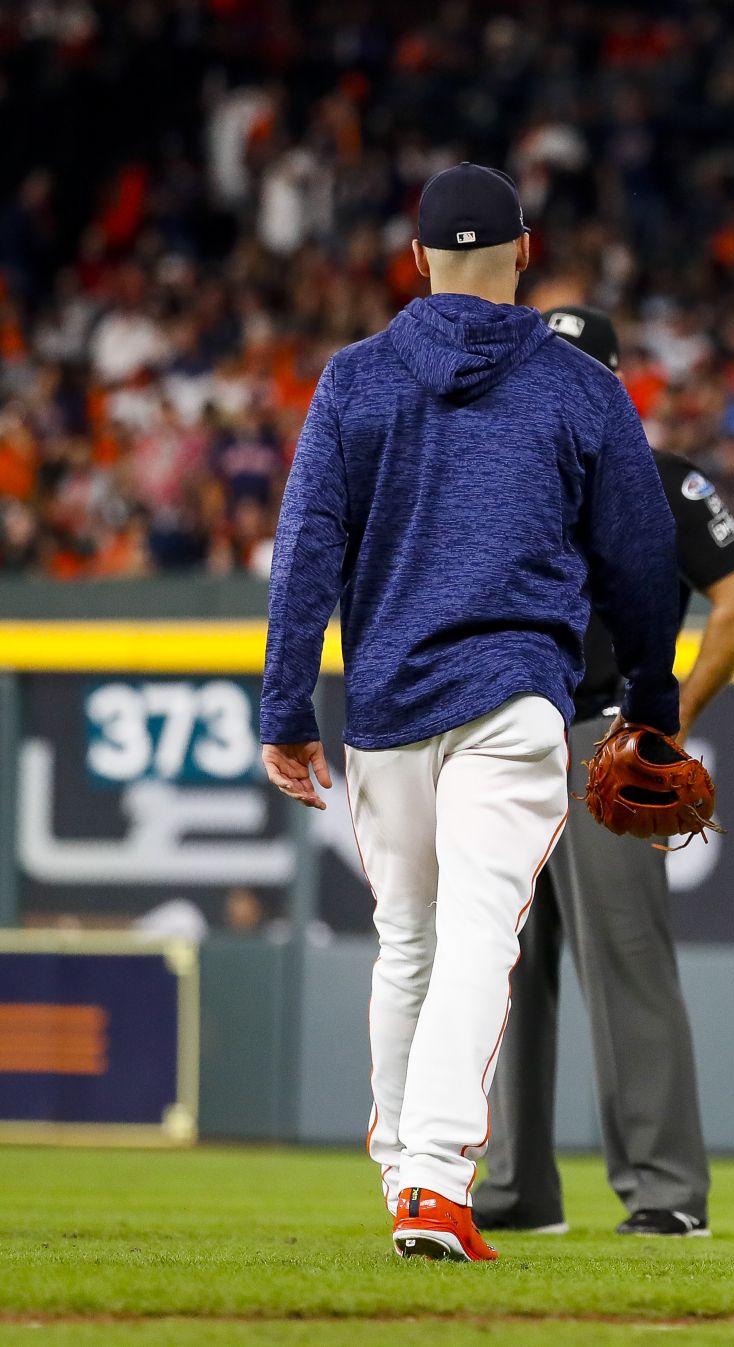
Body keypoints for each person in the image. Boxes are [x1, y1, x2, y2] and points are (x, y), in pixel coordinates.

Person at [258, 164, 683, 1263]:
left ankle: (409, 1165)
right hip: (510, 696)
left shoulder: (356, 378)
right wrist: (651, 700)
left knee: (408, 940)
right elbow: (643, 560)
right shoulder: (576, 383)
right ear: (524, 253)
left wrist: (285, 705)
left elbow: (305, 552)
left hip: (389, 703)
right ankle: (434, 1182)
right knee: (473, 936)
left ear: (416, 262)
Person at [473, 305, 734, 1239]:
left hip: (602, 734)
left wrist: (665, 722)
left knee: (627, 966)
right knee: (501, 970)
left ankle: (666, 1191)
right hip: (510, 731)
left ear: (607, 382)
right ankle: (516, 1188)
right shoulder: (511, 481)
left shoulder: (660, 480)